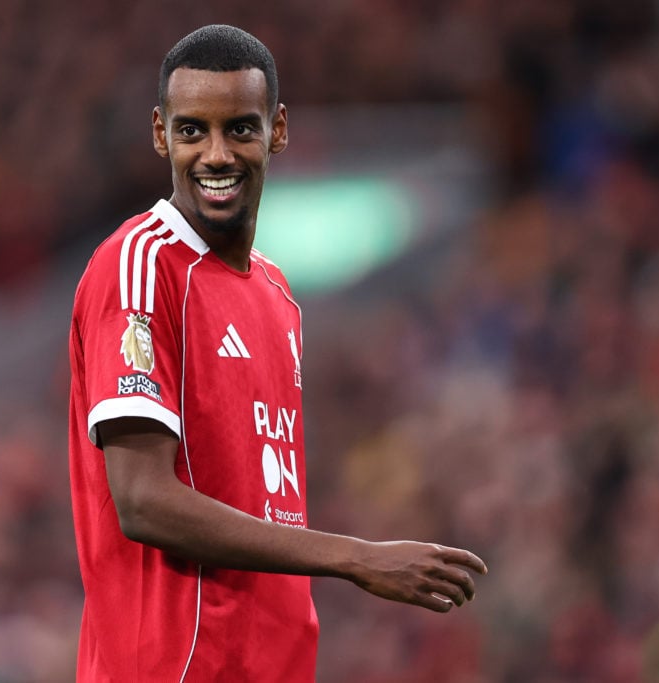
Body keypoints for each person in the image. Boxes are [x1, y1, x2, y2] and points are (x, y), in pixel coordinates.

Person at [67, 24, 487, 682]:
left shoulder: (276, 294)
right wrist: (355, 556)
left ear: (278, 129)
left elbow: (262, 500)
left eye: (239, 128)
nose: (215, 154)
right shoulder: (141, 267)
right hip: (174, 665)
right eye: (190, 131)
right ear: (160, 134)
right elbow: (142, 499)